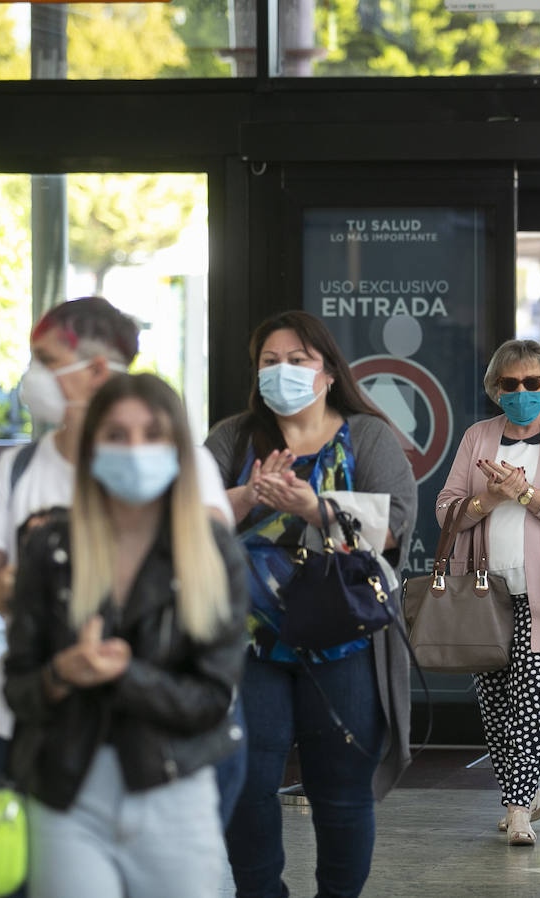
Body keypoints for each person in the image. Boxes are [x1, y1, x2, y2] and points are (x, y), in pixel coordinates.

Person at [0, 297, 237, 835]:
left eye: (45, 360)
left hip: (163, 736)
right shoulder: (19, 471)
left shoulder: (185, 467)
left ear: (95, 369)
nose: (33, 377)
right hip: (31, 732)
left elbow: (213, 595)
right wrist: (5, 589)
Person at [5, 373, 249, 896]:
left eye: (152, 434)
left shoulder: (212, 550)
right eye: (116, 435)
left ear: (178, 448)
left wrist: (124, 676)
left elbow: (212, 698)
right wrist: (59, 675)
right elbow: (18, 687)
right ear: (92, 446)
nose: (135, 449)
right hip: (67, 793)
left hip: (174, 791)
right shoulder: (50, 546)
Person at [206, 310, 416, 896]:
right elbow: (185, 515)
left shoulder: (367, 434)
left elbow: (397, 522)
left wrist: (311, 506)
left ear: (327, 373)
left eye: (298, 360)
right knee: (246, 783)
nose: (283, 372)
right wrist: (249, 494)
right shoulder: (232, 438)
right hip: (249, 640)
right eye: (270, 362)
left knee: (342, 789)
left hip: (345, 637)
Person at [436, 339, 540, 845]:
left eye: (532, 383)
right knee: (497, 705)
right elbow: (445, 512)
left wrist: (527, 494)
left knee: (531, 702)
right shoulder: (477, 437)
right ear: (496, 389)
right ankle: (524, 791)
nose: (522, 391)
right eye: (512, 384)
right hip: (485, 593)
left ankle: (518, 810)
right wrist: (489, 497)